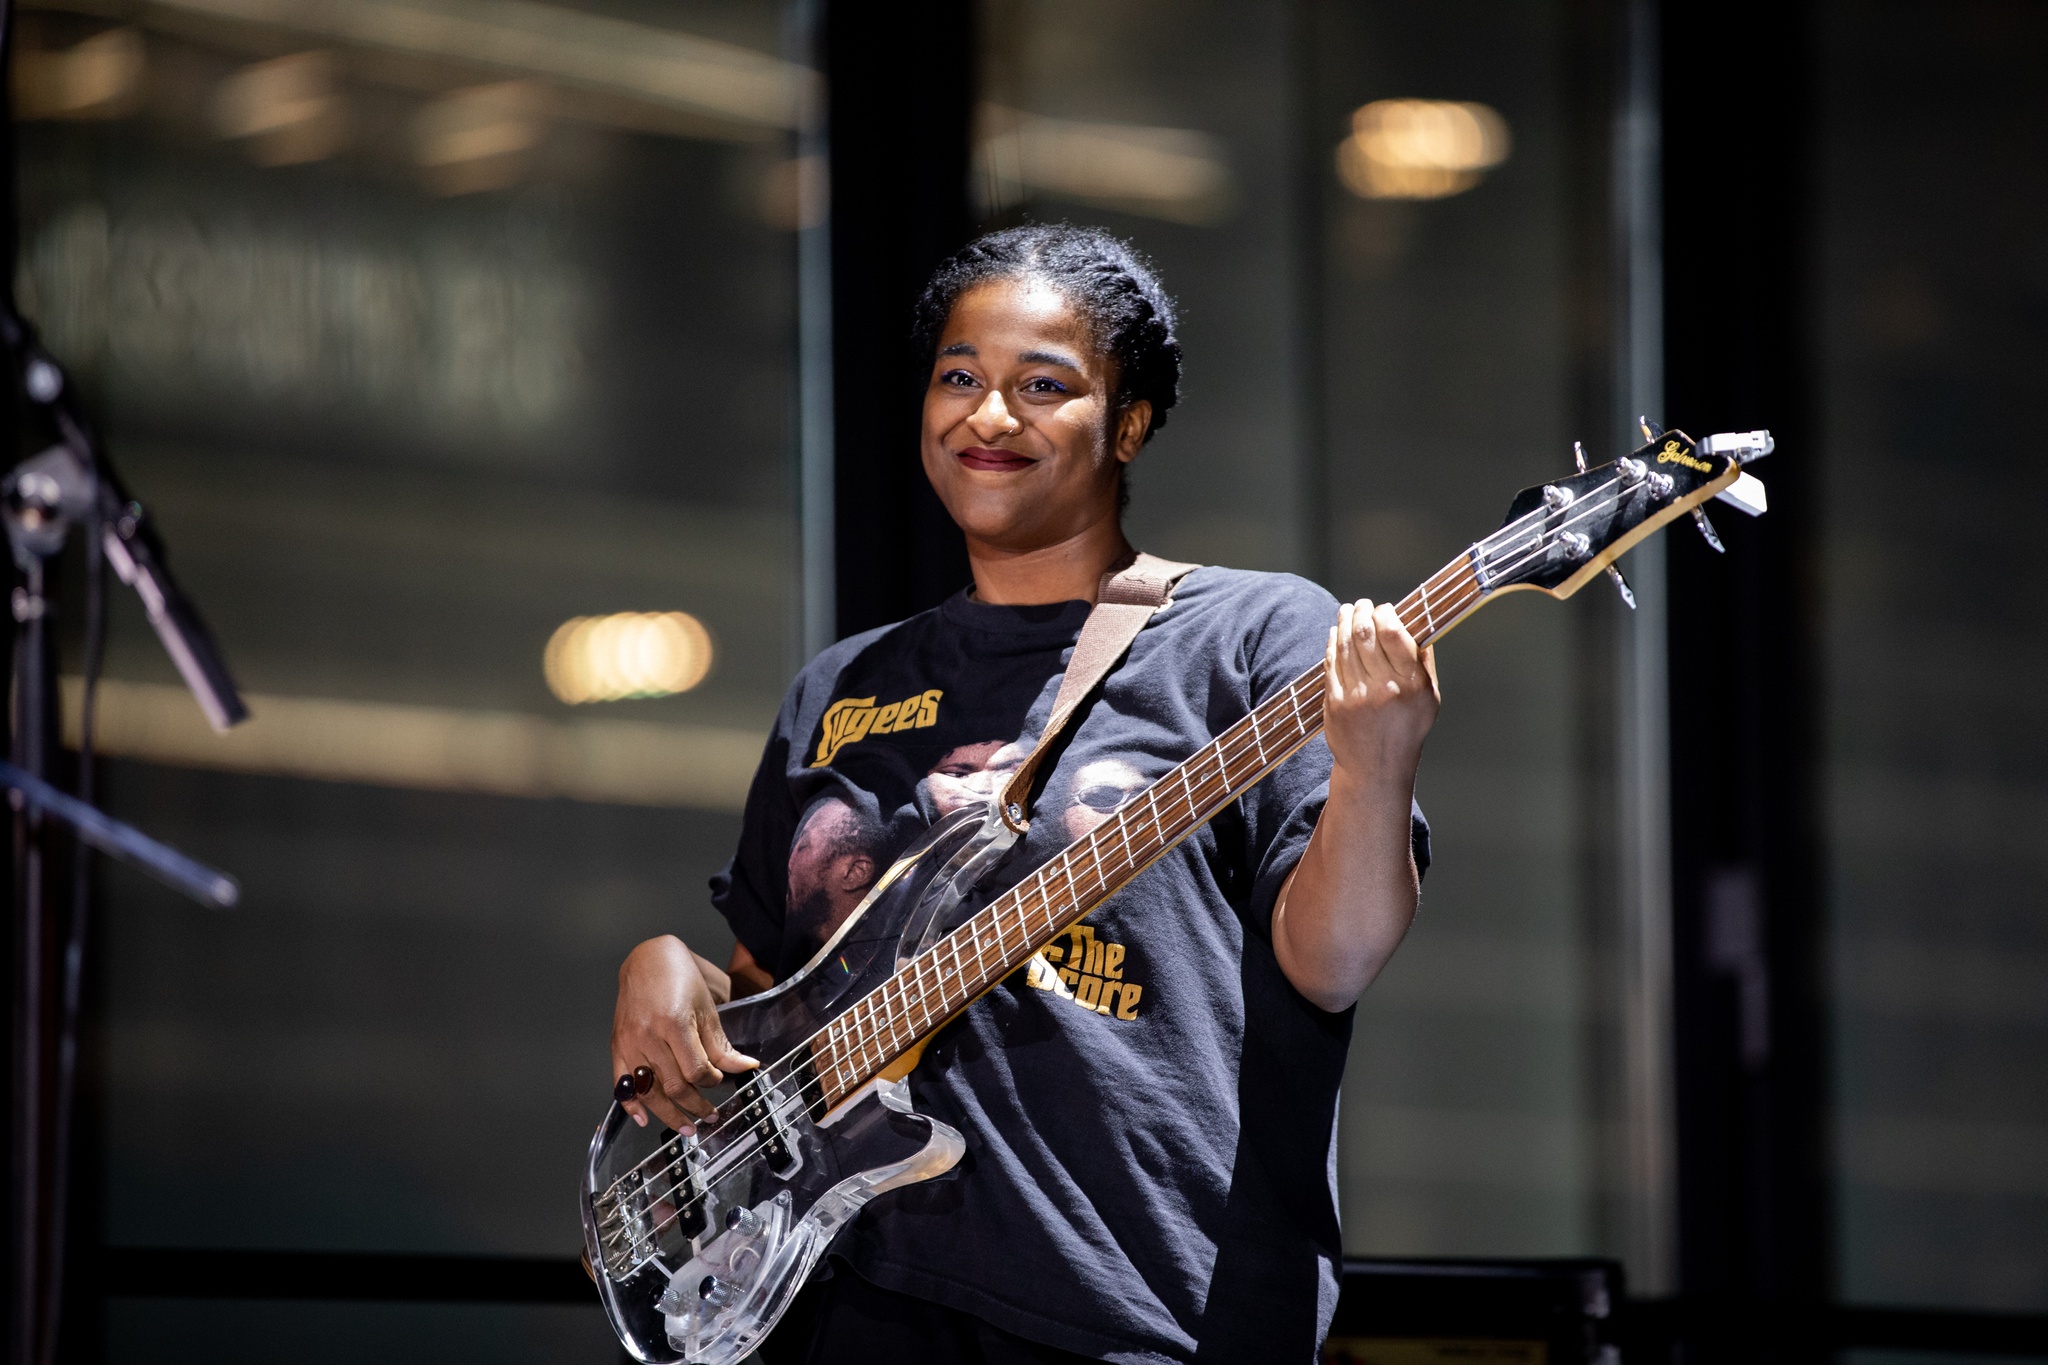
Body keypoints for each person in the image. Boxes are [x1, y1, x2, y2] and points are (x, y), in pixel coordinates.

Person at [608, 224, 1439, 1364]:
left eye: (1042, 386)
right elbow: (780, 1020)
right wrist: (667, 973)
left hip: (1132, 1311)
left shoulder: (1250, 636)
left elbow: (1330, 961)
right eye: (959, 377)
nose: (987, 418)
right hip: (829, 1311)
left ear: (1130, 422)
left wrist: (1377, 763)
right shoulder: (841, 686)